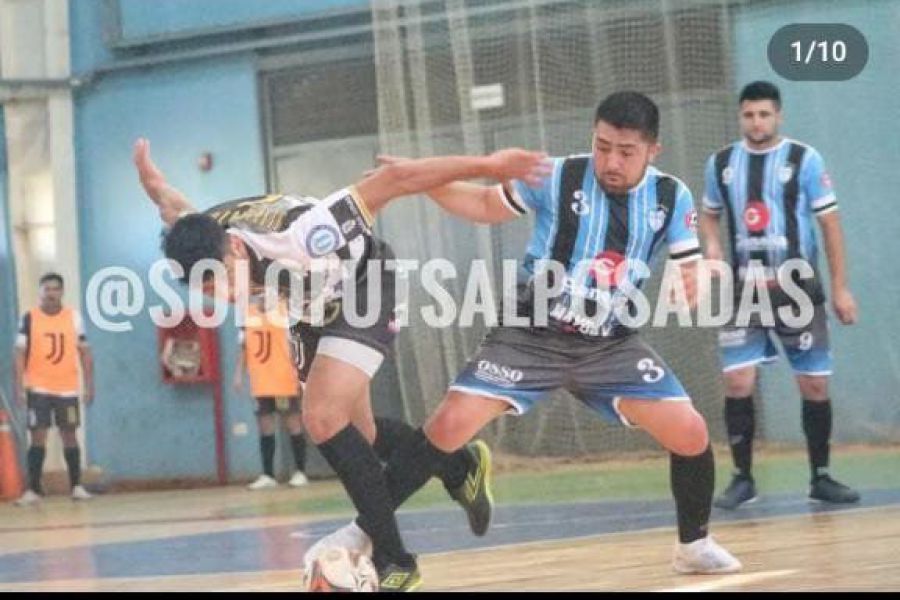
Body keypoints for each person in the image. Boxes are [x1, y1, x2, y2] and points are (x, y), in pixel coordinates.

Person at [320, 91, 743, 575]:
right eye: (602, 145)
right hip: (530, 334)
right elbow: (483, 203)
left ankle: (693, 547)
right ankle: (363, 531)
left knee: (690, 432)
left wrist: (698, 275)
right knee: (449, 425)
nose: (610, 160)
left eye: (625, 152)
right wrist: (420, 183)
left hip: (610, 344)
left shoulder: (672, 196)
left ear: (653, 151)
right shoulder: (559, 175)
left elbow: (692, 259)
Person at [133, 138, 549, 590]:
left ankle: (396, 561)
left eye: (221, 282)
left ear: (234, 248)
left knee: (321, 417)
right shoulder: (202, 235)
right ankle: (459, 467)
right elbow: (170, 202)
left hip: (366, 287)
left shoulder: (307, 232)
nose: (224, 296)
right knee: (361, 438)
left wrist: (488, 163)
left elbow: (396, 180)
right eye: (206, 292)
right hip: (311, 307)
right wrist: (148, 176)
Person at [699, 81, 860, 509]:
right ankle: (743, 478)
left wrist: (840, 287)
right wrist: (711, 246)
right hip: (745, 290)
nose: (757, 122)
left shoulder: (804, 160)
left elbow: (830, 225)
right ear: (740, 117)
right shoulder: (721, 165)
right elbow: (709, 217)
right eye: (749, 114)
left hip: (798, 289)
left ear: (779, 115)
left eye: (764, 114)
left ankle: (821, 476)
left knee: (814, 385)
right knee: (737, 380)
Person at [13, 273, 95, 505]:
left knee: (69, 434)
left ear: (62, 292)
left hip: (67, 388)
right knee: (38, 435)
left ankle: (77, 486)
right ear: (40, 291)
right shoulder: (28, 318)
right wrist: (19, 387)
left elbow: (85, 353)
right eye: (46, 288)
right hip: (38, 387)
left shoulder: (74, 317)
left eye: (55, 289)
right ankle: (33, 490)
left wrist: (89, 385)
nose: (51, 293)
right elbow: (18, 354)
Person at [233, 299, 309, 490]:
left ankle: (300, 472)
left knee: (293, 423)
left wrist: (301, 375)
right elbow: (244, 347)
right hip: (260, 379)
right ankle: (268, 474)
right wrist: (238, 374)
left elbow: (297, 345)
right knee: (265, 425)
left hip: (284, 378)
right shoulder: (248, 313)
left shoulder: (286, 312)